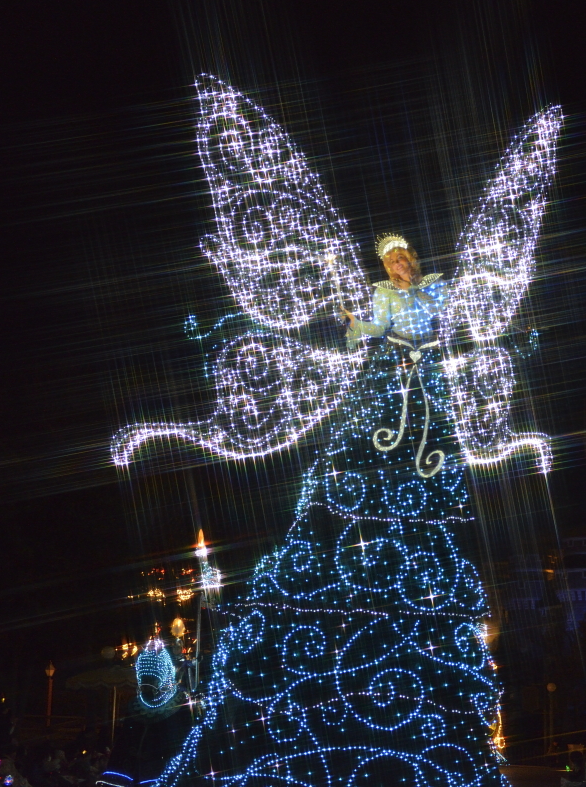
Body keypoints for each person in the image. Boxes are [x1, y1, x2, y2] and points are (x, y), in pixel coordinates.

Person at [150, 234, 503, 786]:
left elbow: (446, 317)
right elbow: (380, 328)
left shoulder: (434, 287)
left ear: (413, 260)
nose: (398, 266)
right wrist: (359, 325)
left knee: (424, 470)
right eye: (390, 261)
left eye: (403, 259)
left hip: (424, 386)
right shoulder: (382, 293)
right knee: (366, 456)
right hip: (388, 378)